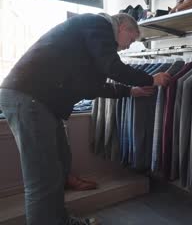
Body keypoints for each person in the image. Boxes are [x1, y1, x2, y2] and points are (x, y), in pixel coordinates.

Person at [0, 13, 171, 225]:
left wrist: (131, 92)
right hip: (29, 98)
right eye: (132, 39)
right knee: (43, 178)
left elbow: (91, 87)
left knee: (59, 168)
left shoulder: (88, 44)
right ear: (123, 27)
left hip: (38, 102)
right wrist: (150, 79)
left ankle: (59, 220)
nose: (128, 47)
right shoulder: (97, 23)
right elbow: (113, 67)